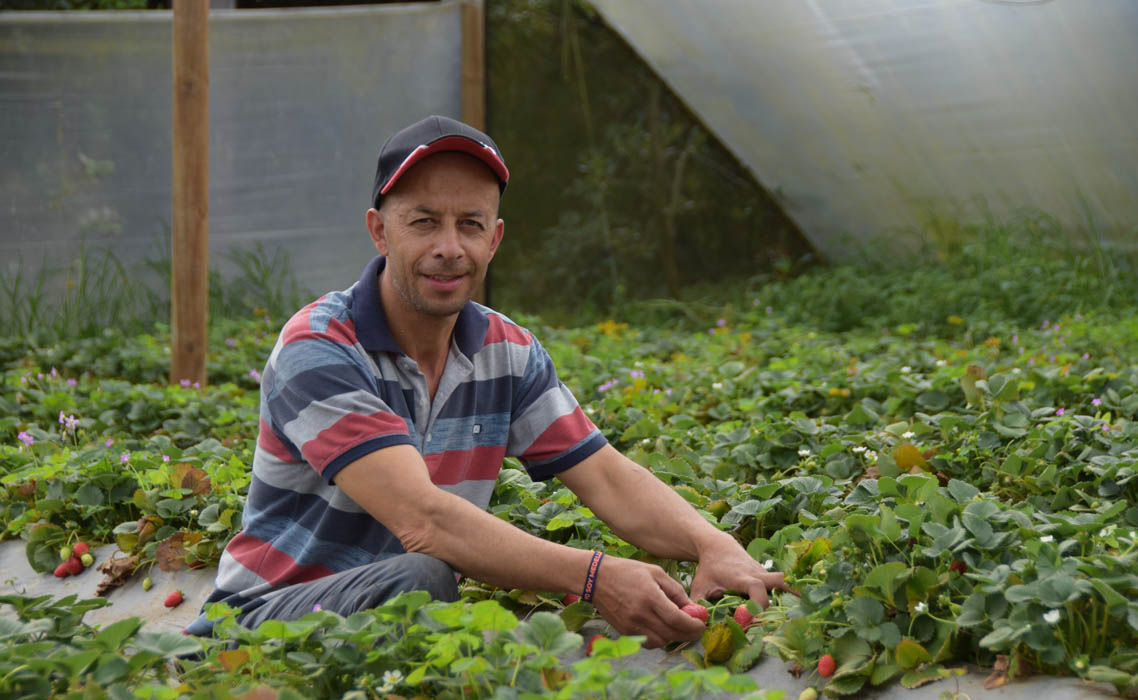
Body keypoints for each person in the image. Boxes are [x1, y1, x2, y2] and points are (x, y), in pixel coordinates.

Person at [186, 115, 790, 648]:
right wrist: (594, 577)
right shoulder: (319, 347)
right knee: (423, 576)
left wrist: (713, 544)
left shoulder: (508, 352)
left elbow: (605, 476)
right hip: (260, 623)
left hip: (401, 616)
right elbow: (425, 521)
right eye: (423, 222)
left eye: (470, 224)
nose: (449, 248)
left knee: (425, 586)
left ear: (494, 239)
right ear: (379, 231)